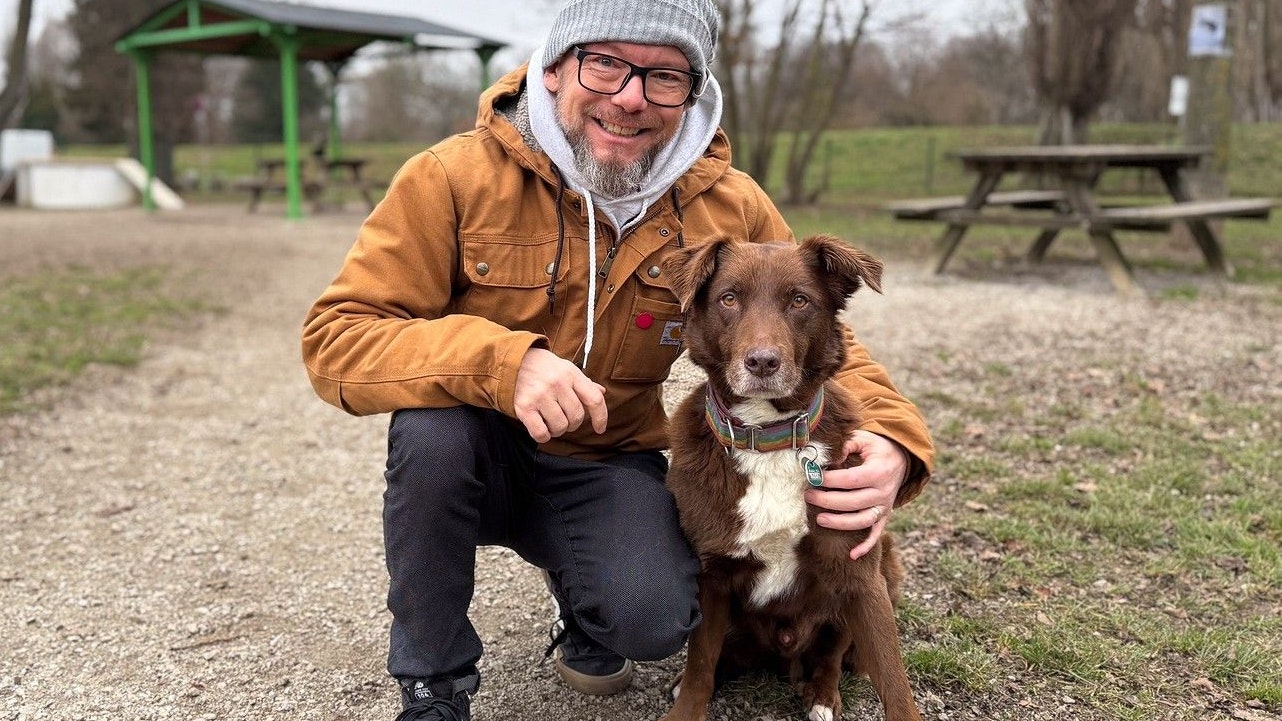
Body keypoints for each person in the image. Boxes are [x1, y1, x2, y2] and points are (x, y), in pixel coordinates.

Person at [300, 1, 934, 719]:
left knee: (653, 616)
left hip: (604, 462)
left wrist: (893, 439)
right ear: (553, 67)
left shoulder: (729, 205)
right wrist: (503, 364)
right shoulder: (450, 178)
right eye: (605, 63)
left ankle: (584, 598)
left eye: (665, 77)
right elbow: (337, 335)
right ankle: (432, 684)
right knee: (430, 434)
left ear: (692, 93)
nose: (631, 98)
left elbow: (811, 338)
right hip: (479, 455)